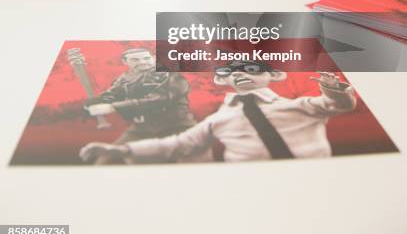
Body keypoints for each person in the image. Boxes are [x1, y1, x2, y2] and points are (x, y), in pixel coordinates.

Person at [79, 62, 356, 163]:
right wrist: (123, 151)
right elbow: (178, 144)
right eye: (229, 71)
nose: (239, 74)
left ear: (274, 75)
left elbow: (336, 105)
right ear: (222, 80)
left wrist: (335, 90)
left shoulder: (299, 106)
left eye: (250, 68)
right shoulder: (218, 120)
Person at [82, 47, 195, 164]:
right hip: (142, 128)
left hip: (176, 127)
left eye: (146, 58)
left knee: (185, 164)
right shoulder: (125, 79)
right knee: (106, 161)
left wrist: (113, 107)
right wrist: (93, 103)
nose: (142, 62)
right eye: (135, 60)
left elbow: (160, 99)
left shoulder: (169, 75)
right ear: (125, 62)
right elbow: (110, 95)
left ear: (154, 58)